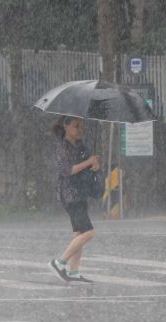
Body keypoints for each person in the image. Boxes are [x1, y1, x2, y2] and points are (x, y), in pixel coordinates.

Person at [48, 116, 101, 283]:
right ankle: (59, 263)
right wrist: (87, 162)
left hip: (80, 192)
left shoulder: (79, 147)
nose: (80, 130)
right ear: (66, 126)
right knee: (88, 232)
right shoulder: (61, 147)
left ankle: (73, 272)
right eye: (76, 126)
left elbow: (86, 167)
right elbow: (68, 170)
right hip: (70, 194)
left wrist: (95, 165)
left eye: (81, 126)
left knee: (78, 234)